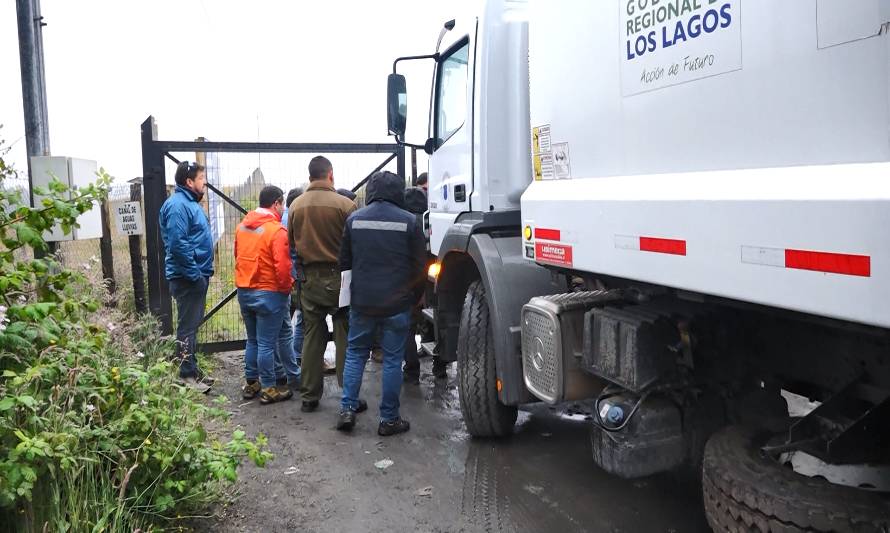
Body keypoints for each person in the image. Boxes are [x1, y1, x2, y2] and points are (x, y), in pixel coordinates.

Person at [336, 171, 425, 436]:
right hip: (397, 303)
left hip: (362, 302)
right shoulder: (410, 221)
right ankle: (388, 419)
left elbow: (345, 262)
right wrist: (413, 298)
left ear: (371, 191)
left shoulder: (354, 220)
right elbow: (420, 267)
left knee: (355, 354)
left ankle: (347, 409)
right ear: (398, 191)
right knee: (392, 360)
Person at [287, 156, 358, 412]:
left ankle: (309, 396)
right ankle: (348, 395)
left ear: (310, 177)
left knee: (311, 337)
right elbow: (354, 247)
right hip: (339, 279)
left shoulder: (295, 206)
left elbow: (291, 246)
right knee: (344, 335)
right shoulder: (345, 205)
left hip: (309, 281)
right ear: (331, 175)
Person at [235, 185, 296, 404]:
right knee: (267, 343)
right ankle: (269, 388)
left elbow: (237, 255)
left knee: (253, 340)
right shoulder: (276, 230)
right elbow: (282, 267)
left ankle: (252, 383)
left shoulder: (242, 227)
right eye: (282, 205)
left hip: (244, 290)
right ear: (277, 203)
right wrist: (287, 287)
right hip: (270, 293)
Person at [159, 161, 214, 393]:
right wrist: (194, 275)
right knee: (186, 328)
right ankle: (186, 375)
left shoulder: (188, 203)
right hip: (188, 277)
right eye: (201, 179)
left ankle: (191, 368)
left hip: (194, 275)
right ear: (189, 182)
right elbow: (178, 244)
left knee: (190, 327)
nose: (205, 183)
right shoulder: (178, 206)